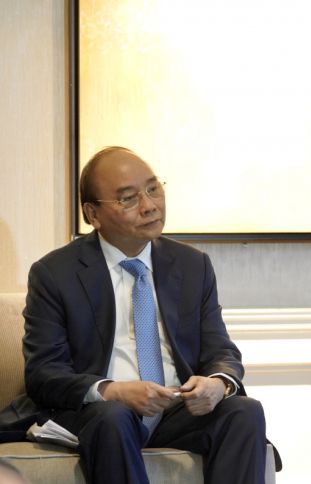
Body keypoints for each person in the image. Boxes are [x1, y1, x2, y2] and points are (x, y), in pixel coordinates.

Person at [22, 147, 274, 484]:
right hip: (103, 414)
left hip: (176, 410)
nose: (149, 205)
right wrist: (113, 391)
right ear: (93, 214)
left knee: (244, 410)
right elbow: (44, 373)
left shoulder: (192, 265)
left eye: (153, 189)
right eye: (128, 199)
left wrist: (218, 383)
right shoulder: (55, 273)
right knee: (113, 417)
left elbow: (221, 351)